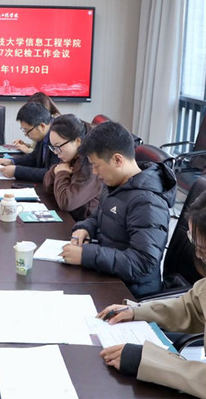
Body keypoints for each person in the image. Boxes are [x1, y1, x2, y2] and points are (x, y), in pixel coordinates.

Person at [98, 183, 206, 398]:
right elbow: (193, 306)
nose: (199, 256)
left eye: (205, 251)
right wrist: (137, 312)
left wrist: (148, 360)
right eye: (195, 242)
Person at [60, 121, 176, 298]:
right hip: (108, 275)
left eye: (96, 165)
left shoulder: (148, 202)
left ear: (117, 160)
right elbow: (98, 216)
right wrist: (85, 228)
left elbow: (142, 263)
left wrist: (86, 255)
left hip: (130, 292)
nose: (95, 172)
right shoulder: (116, 183)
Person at [42, 114, 101, 221]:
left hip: (85, 223)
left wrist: (61, 173)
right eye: (53, 147)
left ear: (77, 141)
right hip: (71, 218)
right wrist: (55, 170)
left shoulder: (90, 164)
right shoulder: (71, 155)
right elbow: (47, 186)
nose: (55, 152)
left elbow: (67, 203)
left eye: (58, 146)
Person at [0, 102, 59, 182]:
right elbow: (34, 157)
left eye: (27, 130)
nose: (26, 135)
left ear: (42, 126)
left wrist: (17, 171)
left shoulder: (58, 136)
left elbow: (51, 174)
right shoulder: (44, 133)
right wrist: (12, 161)